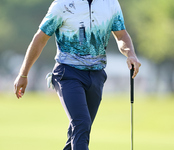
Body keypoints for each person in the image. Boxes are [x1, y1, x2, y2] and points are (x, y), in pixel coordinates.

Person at [14, 0, 141, 149]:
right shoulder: (62, 4)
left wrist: (130, 54)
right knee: (81, 123)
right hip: (68, 73)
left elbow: (121, 35)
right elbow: (40, 38)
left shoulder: (111, 3)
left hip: (96, 75)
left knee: (79, 132)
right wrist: (23, 74)